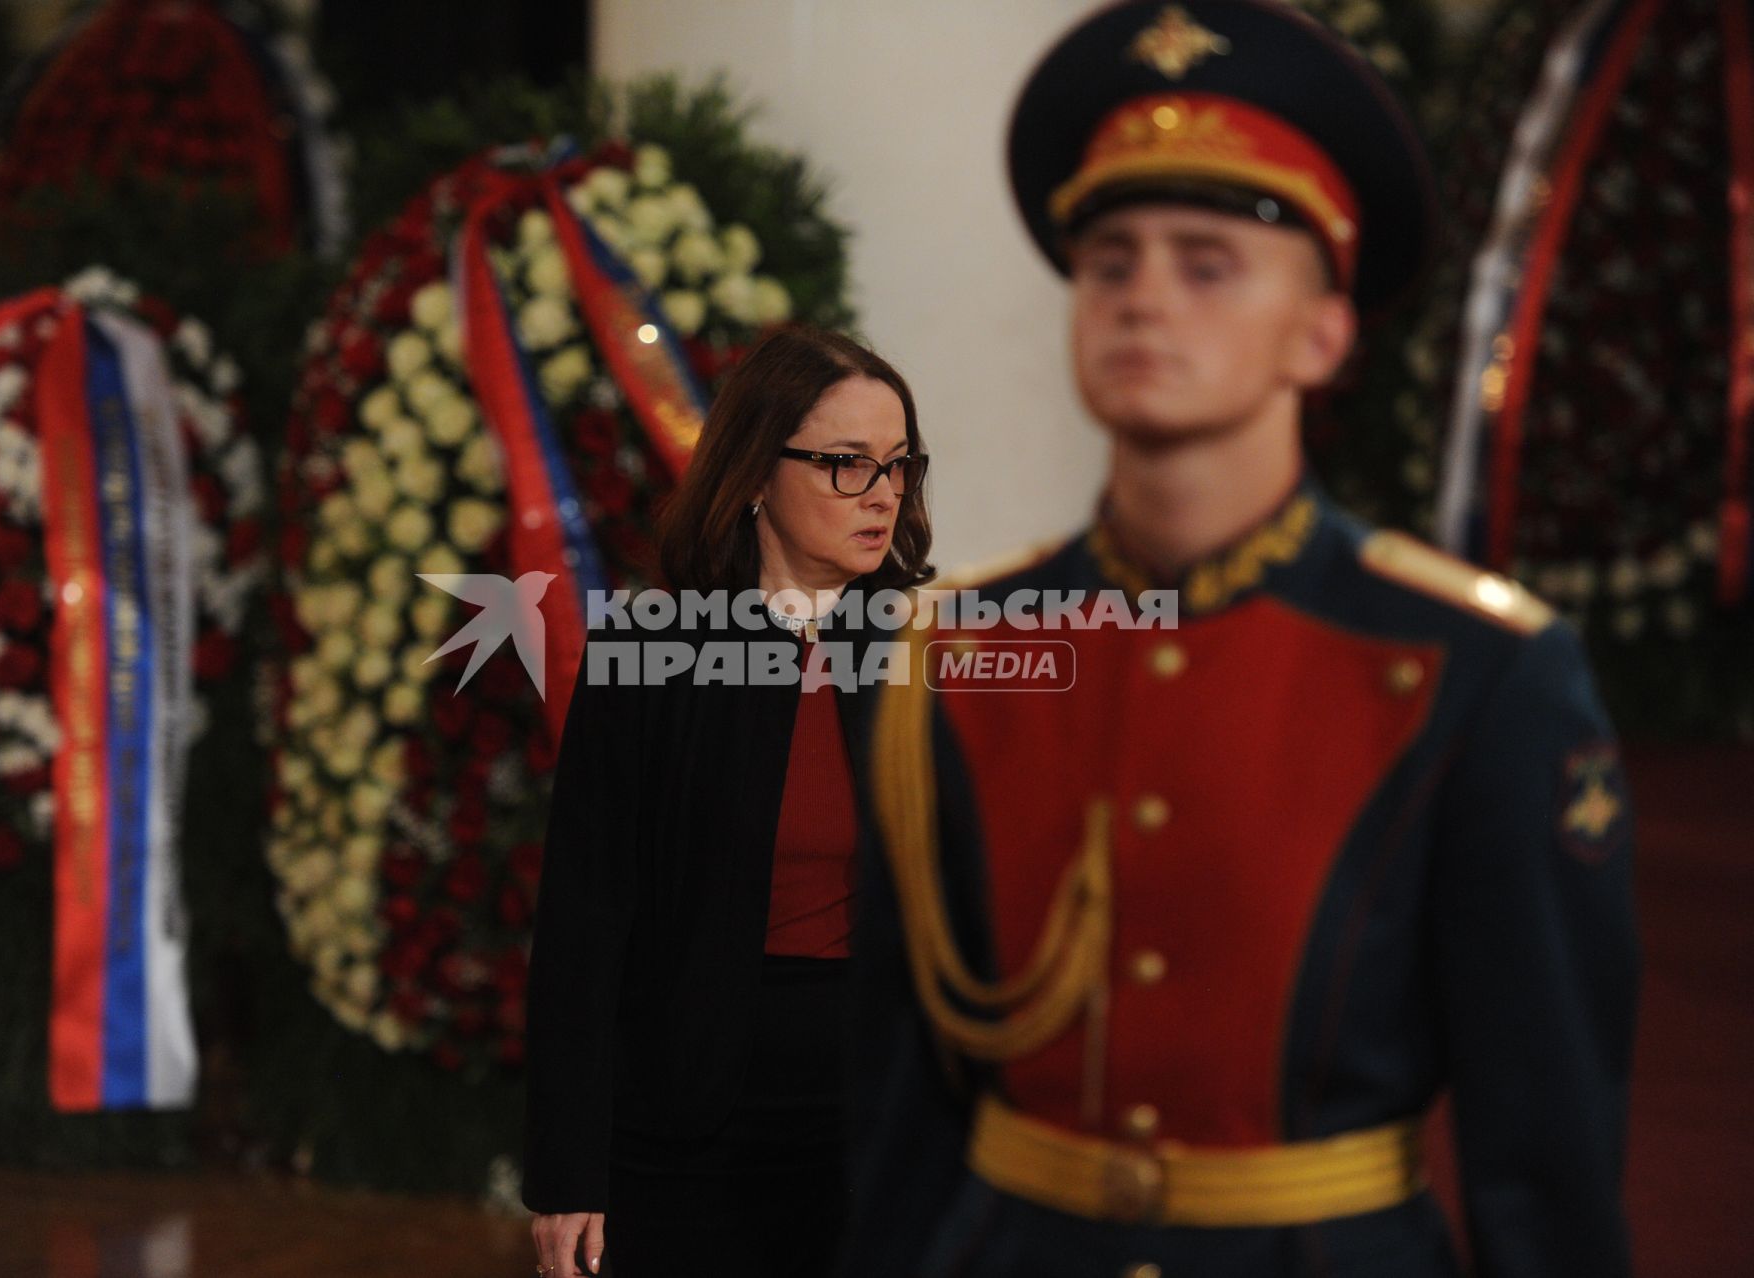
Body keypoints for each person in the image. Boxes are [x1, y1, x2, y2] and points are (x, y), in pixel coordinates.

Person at [843, 3, 1639, 1276]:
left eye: (1207, 263)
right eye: (1110, 261)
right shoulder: (956, 653)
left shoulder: (1479, 674)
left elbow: (1541, 1156)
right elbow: (890, 1112)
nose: (1143, 298)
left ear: (1320, 335)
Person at [522, 326, 934, 1278]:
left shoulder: (931, 661)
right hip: (688, 1122)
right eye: (846, 464)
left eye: (899, 465)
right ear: (755, 473)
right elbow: (584, 930)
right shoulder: (646, 656)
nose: (883, 493)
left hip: (885, 1116)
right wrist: (566, 1171)